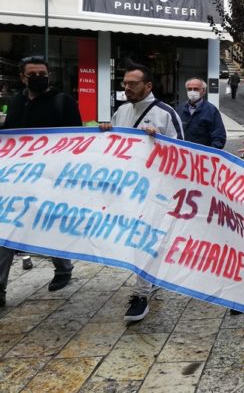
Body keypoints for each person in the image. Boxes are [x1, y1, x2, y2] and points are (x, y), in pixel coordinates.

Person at [99, 63, 184, 322]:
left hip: (155, 189)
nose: (127, 88)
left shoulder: (166, 113)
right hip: (126, 187)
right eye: (124, 83)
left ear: (148, 86)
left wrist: (161, 140)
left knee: (143, 238)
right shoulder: (121, 112)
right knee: (134, 238)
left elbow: (184, 152)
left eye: (132, 83)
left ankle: (141, 294)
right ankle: (149, 280)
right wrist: (105, 134)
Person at [0, 56, 82, 307]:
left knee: (52, 227)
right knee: (5, 231)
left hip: (52, 179)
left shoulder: (63, 102)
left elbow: (79, 140)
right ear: (23, 77)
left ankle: (63, 268)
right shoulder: (16, 102)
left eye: (42, 73)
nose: (39, 78)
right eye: (33, 74)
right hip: (18, 181)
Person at [176, 78, 225, 149]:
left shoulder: (211, 110)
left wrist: (209, 154)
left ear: (204, 91)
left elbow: (219, 137)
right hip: (182, 154)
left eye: (196, 89)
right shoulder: (179, 108)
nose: (192, 91)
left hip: (201, 157)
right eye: (189, 89)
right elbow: (172, 131)